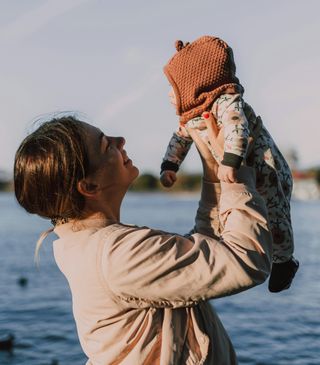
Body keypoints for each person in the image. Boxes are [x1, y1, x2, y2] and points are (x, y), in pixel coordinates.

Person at [14, 115, 272, 364]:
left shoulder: (93, 247)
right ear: (89, 187)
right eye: (106, 145)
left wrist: (215, 168)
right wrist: (235, 175)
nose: (121, 140)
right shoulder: (116, 254)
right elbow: (246, 259)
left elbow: (208, 249)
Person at [160, 35, 299, 293]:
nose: (170, 95)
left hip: (265, 170)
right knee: (231, 215)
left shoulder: (225, 102)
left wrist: (231, 159)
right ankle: (231, 248)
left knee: (276, 215)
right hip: (234, 175)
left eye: (174, 87)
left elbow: (238, 126)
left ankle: (284, 261)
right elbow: (180, 138)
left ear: (196, 83)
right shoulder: (191, 115)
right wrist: (170, 165)